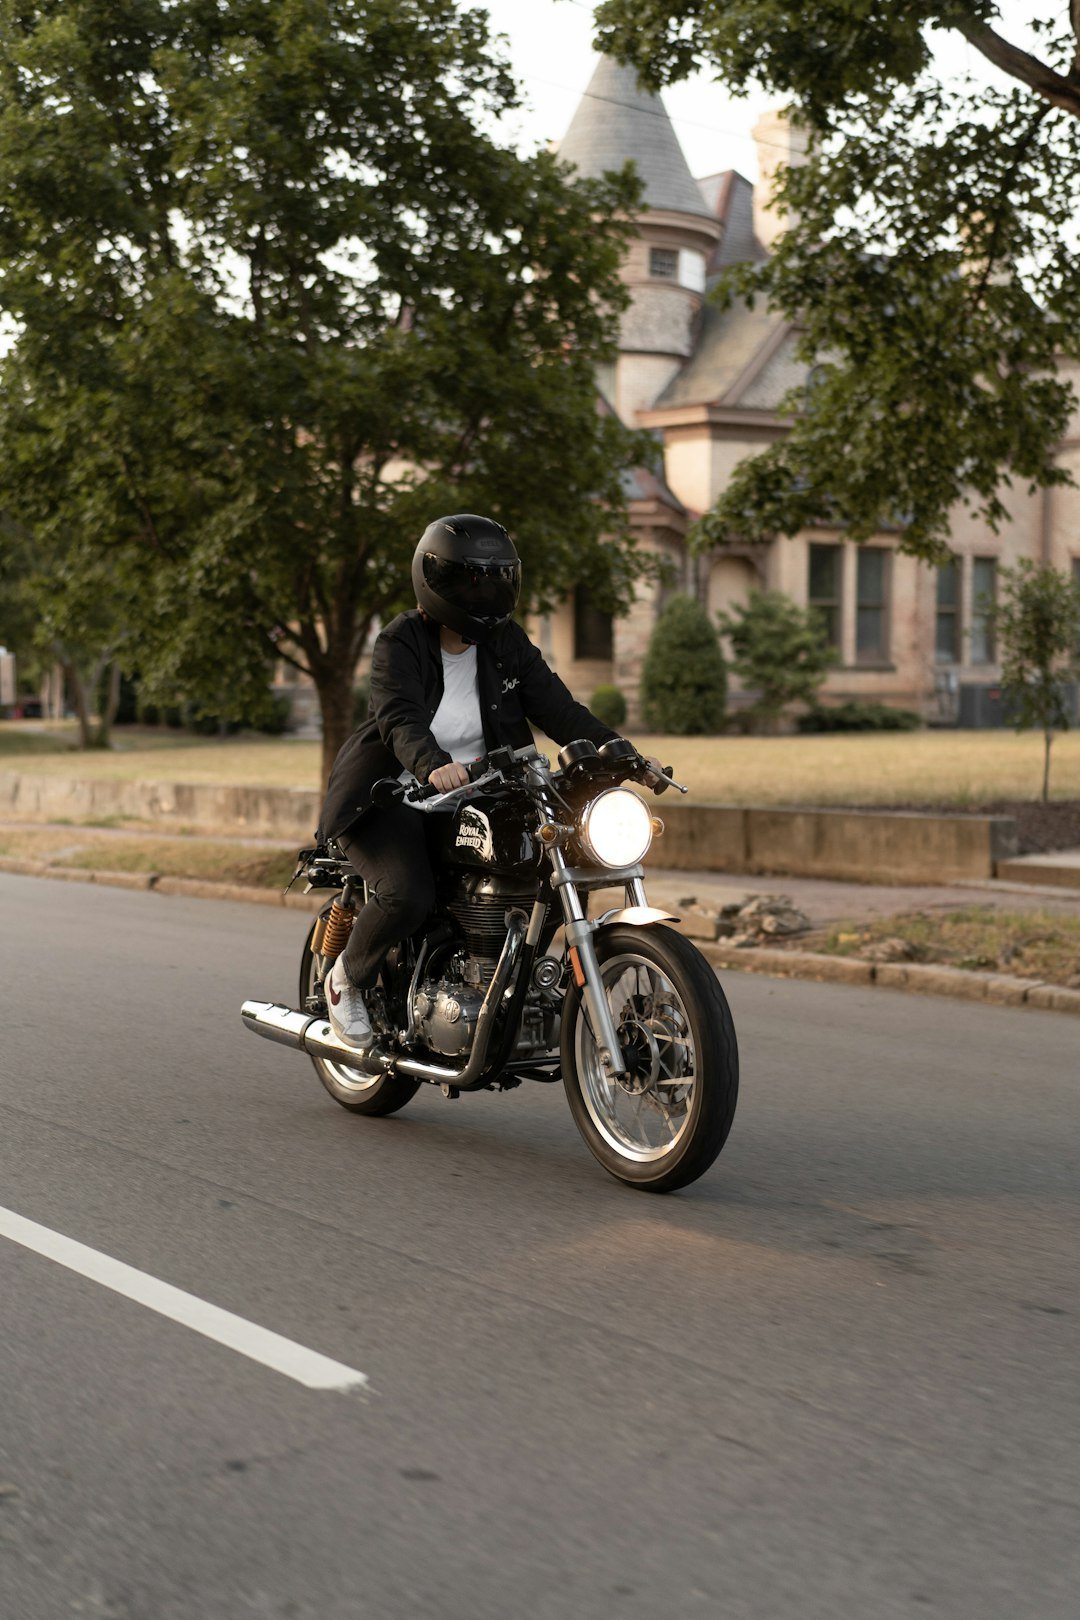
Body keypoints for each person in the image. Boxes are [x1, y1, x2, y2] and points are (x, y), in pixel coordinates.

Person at [316, 514, 663, 1048]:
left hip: (480, 791)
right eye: (471, 578)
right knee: (407, 893)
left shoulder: (505, 642)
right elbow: (397, 717)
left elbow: (559, 709)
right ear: (437, 581)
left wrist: (624, 755)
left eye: (499, 577)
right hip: (392, 797)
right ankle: (346, 981)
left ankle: (512, 983)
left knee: (544, 867)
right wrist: (431, 763)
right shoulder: (400, 641)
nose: (486, 591)